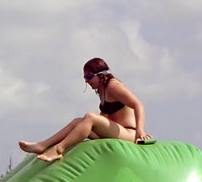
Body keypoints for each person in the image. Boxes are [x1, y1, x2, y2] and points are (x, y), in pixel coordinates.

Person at [19, 58, 151, 162]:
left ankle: (58, 150)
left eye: (88, 77)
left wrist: (140, 130)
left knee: (90, 117)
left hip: (129, 134)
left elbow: (138, 105)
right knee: (79, 121)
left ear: (99, 75)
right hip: (117, 131)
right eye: (84, 78)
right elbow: (105, 117)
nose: (86, 82)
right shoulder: (101, 90)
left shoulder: (113, 86)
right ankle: (42, 145)